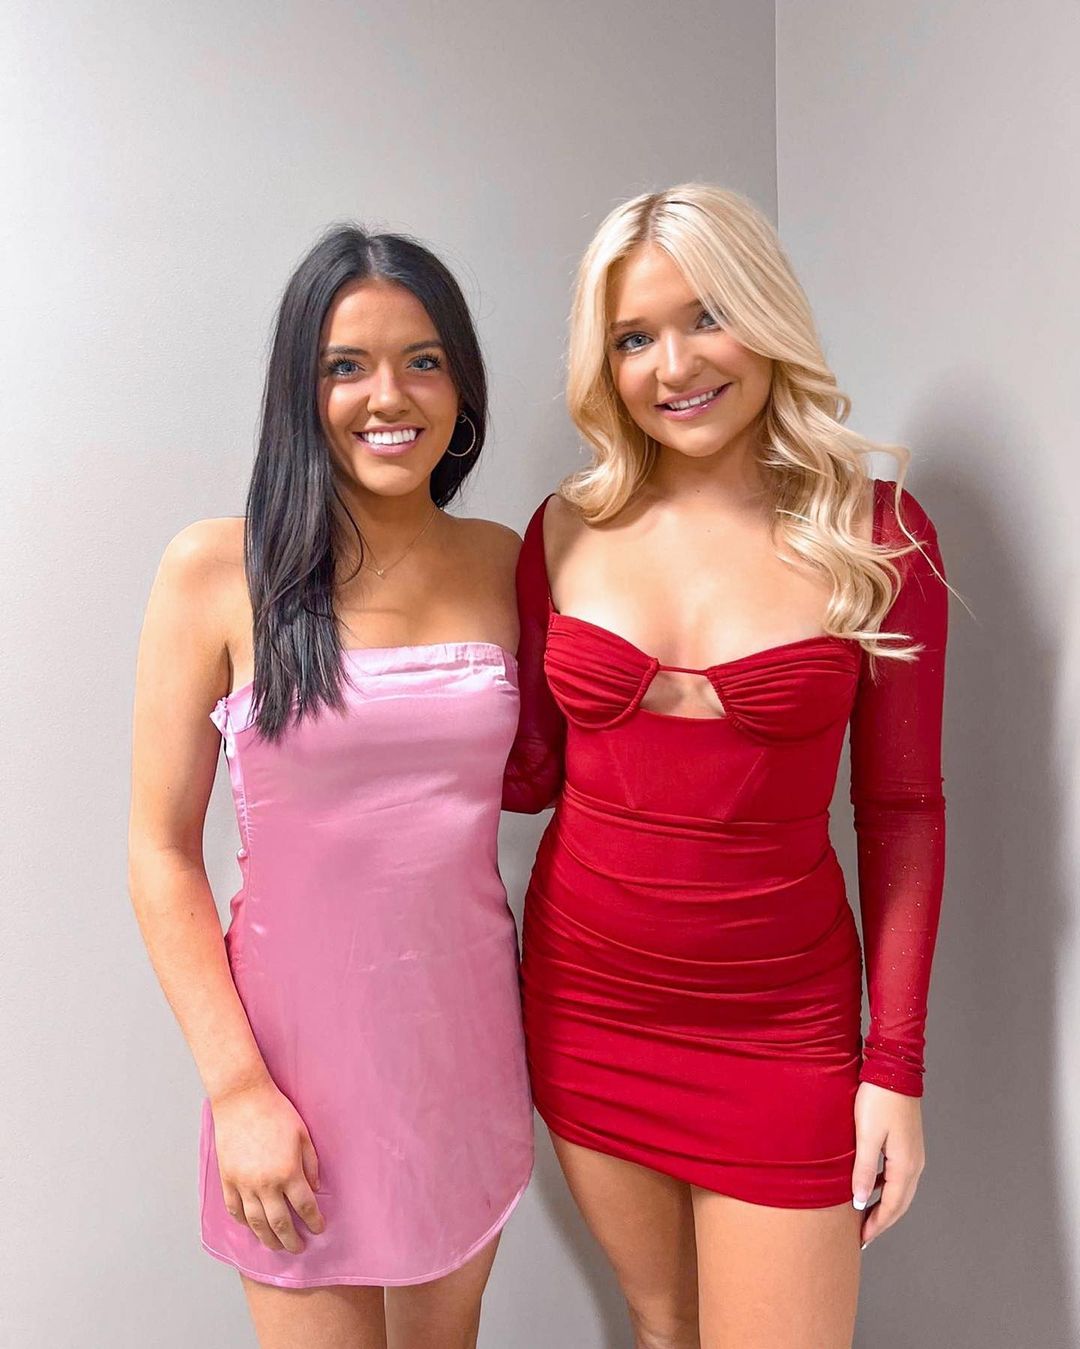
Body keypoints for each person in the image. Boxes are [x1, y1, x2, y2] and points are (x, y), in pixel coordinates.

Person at [503, 183, 949, 1348]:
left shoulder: (879, 533)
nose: (676, 364)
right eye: (634, 337)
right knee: (661, 1328)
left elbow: (902, 810)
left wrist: (893, 1065)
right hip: (586, 1004)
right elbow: (523, 772)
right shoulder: (563, 527)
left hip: (781, 1027)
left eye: (707, 316)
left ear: (766, 312)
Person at [127, 226, 533, 1349]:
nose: (386, 396)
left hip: (464, 1053)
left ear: (463, 383)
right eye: (344, 366)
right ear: (298, 392)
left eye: (423, 360)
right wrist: (237, 1090)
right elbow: (159, 852)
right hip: (288, 1070)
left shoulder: (506, 561)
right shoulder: (216, 568)